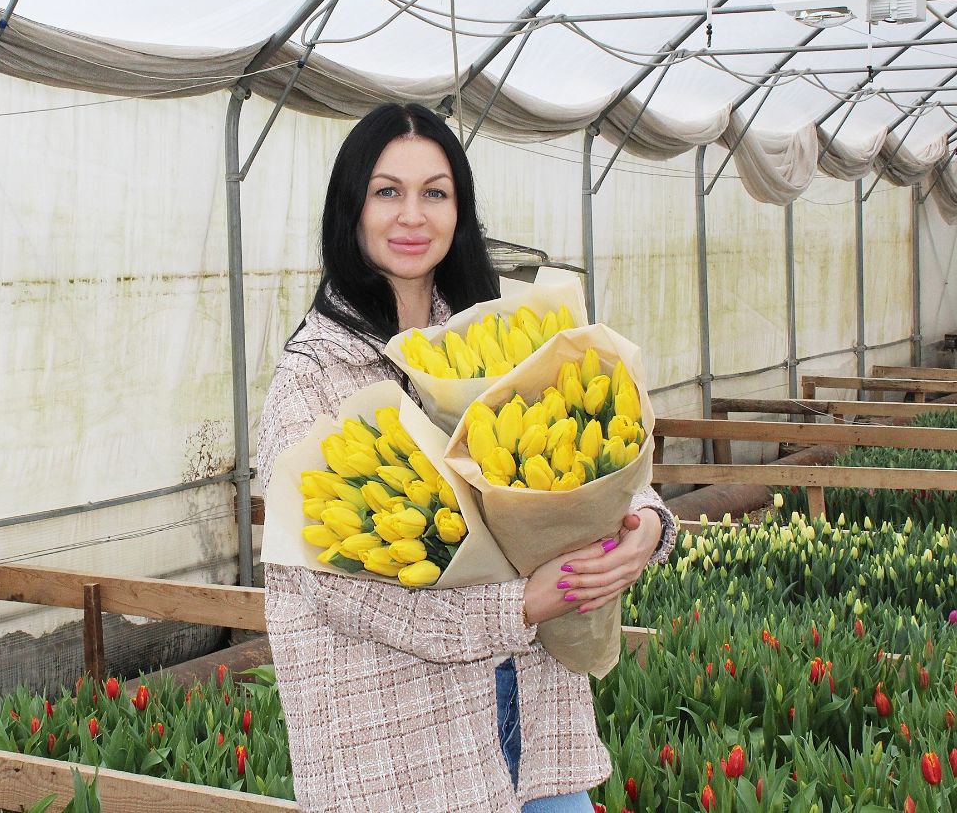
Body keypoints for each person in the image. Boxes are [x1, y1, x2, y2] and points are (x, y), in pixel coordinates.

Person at [257, 103, 677, 813]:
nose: (411, 215)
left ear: (461, 209)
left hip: (537, 711)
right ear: (352, 208)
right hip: (403, 748)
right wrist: (522, 604)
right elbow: (336, 587)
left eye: (435, 192)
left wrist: (644, 528)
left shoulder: (511, 336)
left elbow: (594, 452)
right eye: (387, 191)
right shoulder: (313, 379)